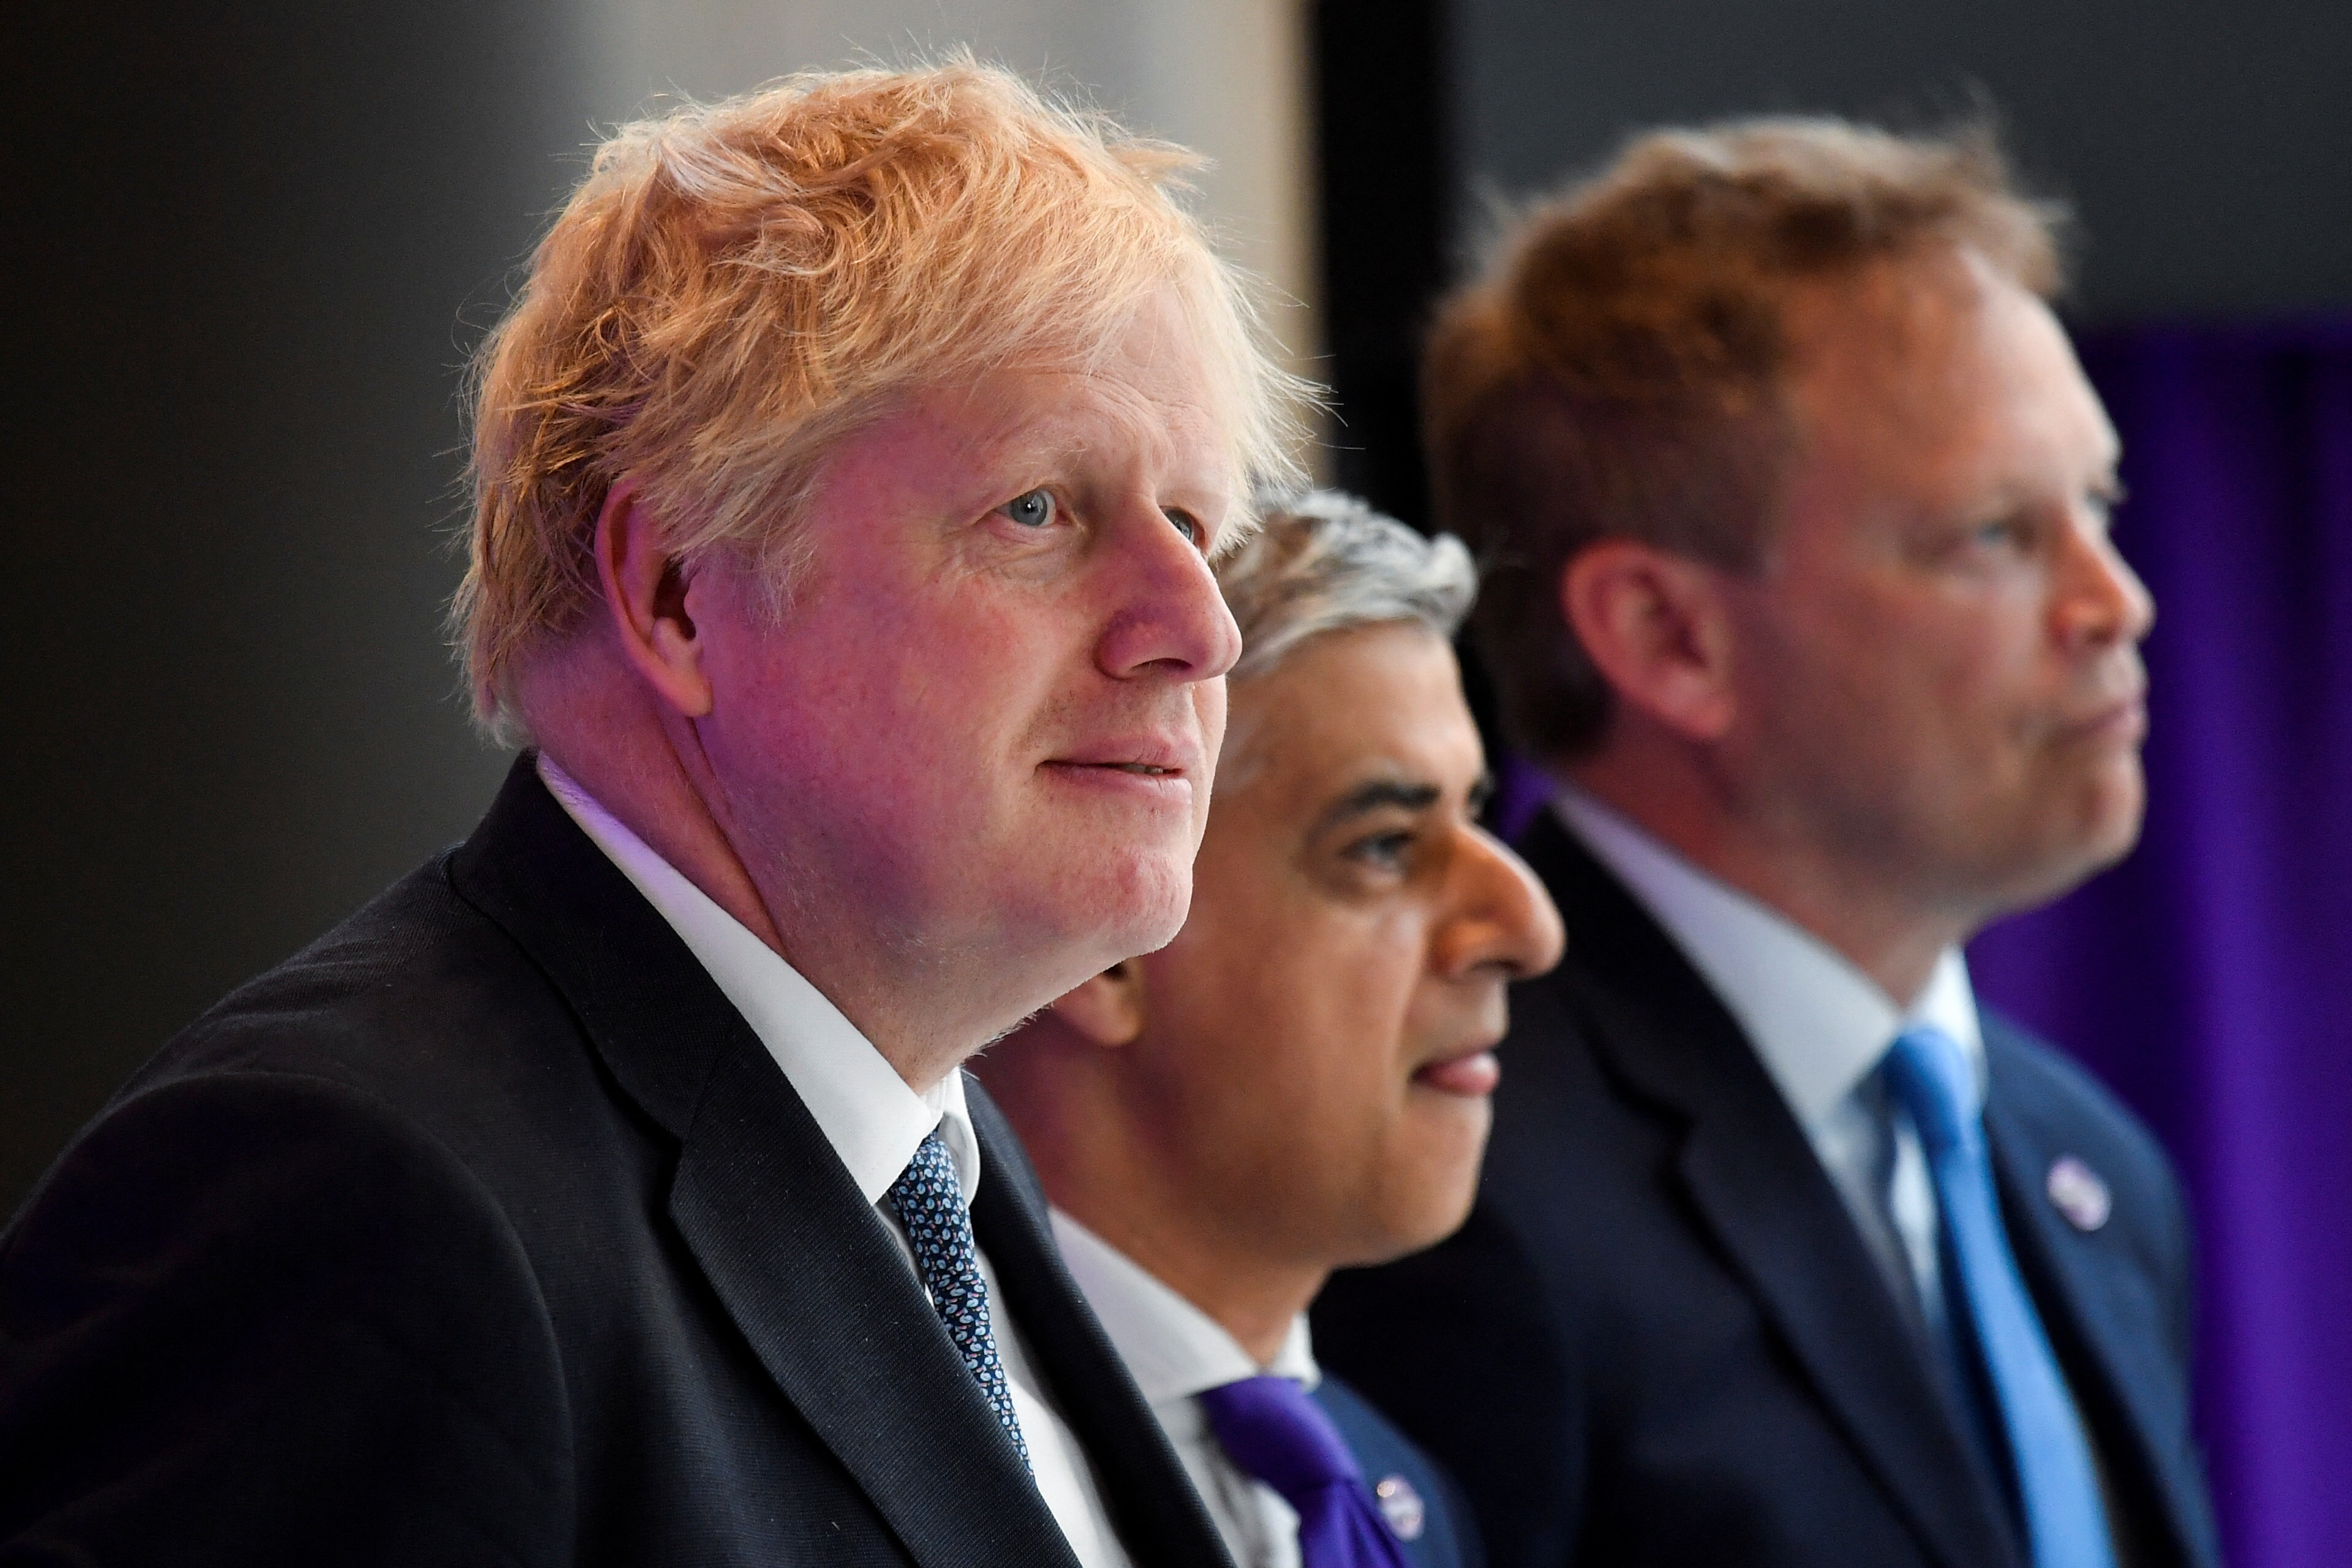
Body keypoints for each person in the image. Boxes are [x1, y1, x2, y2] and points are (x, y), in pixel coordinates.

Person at [0, 63, 1307, 1566]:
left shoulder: (925, 1160)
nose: (1199, 628)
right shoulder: (353, 1207)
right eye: (1040, 510)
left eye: (1199, 527)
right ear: (679, 589)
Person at [1311, 119, 2221, 1568]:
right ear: (1671, 635)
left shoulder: (2087, 1167)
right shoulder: (1448, 1175)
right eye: (1995, 532)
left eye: (2095, 504)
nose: (2116, 600)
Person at [976, 492, 1564, 1568]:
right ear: (1107, 944)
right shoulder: (928, 1468)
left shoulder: (1402, 1497)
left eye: (1472, 817)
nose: (1527, 927)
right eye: (1386, 844)